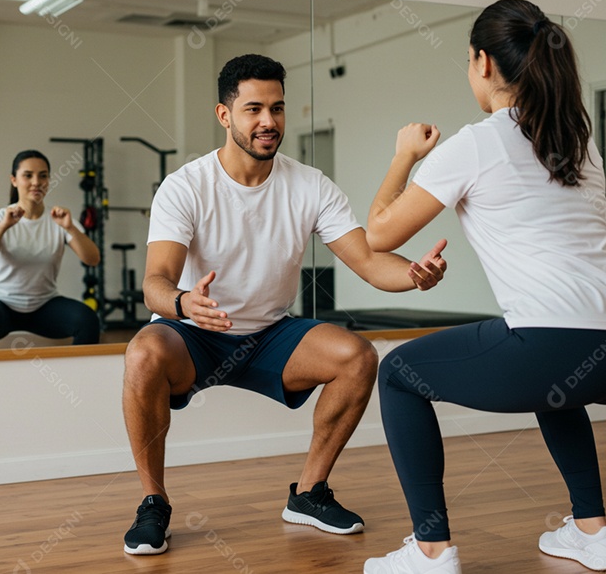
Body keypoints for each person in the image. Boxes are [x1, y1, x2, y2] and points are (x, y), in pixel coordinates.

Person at [361, 0, 606, 574]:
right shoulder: (579, 139)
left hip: (564, 344)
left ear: (482, 62)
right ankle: (592, 531)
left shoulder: (477, 143)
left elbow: (379, 233)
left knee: (399, 375)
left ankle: (430, 550)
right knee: (558, 388)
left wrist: (404, 157)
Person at [121, 54, 448, 556]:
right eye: (253, 109)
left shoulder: (310, 185)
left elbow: (365, 259)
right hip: (194, 332)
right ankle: (153, 502)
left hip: (270, 333)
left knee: (357, 358)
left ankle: (309, 493)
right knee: (142, 353)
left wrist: (412, 274)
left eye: (277, 108)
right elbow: (155, 282)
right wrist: (184, 303)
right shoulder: (185, 186)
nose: (268, 121)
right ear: (224, 114)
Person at [0, 150, 102, 350]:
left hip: (43, 304)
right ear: (14, 180)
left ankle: (76, 378)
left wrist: (70, 228)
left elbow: (92, 259)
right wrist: (3, 227)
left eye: (43, 175)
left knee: (87, 320)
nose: (36, 182)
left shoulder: (60, 220)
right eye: (28, 175)